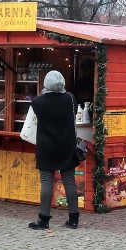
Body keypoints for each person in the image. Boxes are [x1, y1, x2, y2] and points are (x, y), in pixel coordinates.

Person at [28, 70, 81, 230]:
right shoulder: (70, 99)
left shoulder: (37, 102)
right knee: (70, 182)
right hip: (67, 145)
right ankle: (73, 219)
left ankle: (44, 219)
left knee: (46, 182)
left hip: (46, 147)